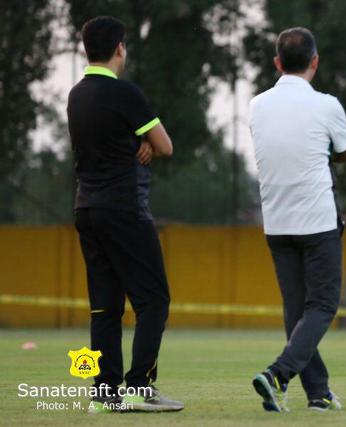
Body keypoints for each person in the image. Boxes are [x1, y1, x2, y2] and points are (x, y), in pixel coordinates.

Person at [67, 16, 183, 412]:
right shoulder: (125, 94)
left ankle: (104, 393)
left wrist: (138, 140)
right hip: (124, 208)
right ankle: (140, 388)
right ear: (119, 48)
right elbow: (164, 145)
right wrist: (145, 140)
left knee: (105, 306)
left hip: (87, 207)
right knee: (154, 300)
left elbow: (108, 141)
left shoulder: (76, 95)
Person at [248, 27, 346, 412]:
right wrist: (325, 151)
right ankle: (278, 376)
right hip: (317, 221)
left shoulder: (256, 105)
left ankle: (319, 394)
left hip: (276, 222)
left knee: (297, 312)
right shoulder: (327, 105)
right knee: (323, 306)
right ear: (315, 62)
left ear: (277, 63)